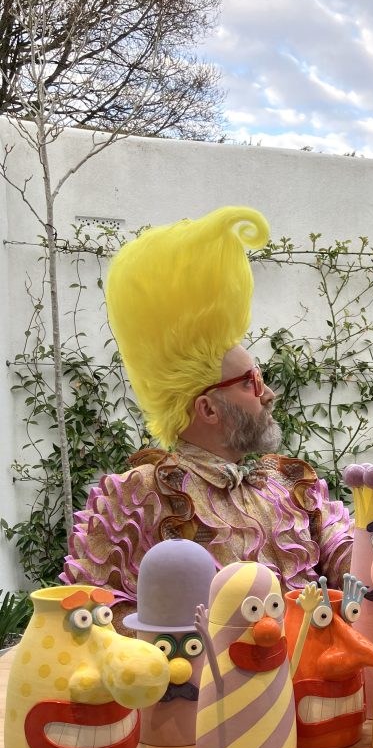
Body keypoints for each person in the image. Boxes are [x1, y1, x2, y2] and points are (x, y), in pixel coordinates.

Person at [61, 207, 352, 632]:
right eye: (251, 382)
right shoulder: (138, 495)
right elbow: (93, 617)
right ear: (208, 409)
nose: (268, 393)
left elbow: (353, 564)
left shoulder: (292, 484)